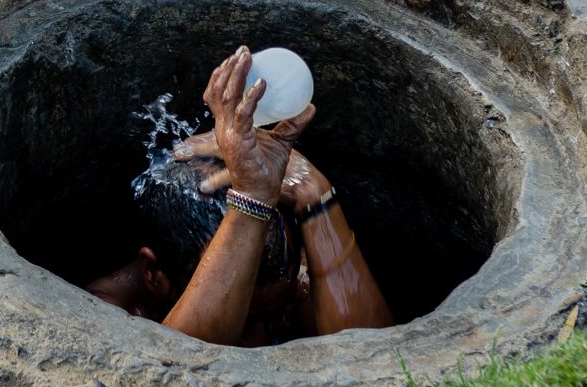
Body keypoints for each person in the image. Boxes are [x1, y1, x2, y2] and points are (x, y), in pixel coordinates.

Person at [85, 46, 393, 346]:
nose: (260, 341)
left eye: (274, 317)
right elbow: (179, 364)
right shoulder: (107, 311)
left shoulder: (285, 274)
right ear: (153, 273)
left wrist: (314, 193)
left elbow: (372, 356)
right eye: (244, 321)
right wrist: (252, 197)